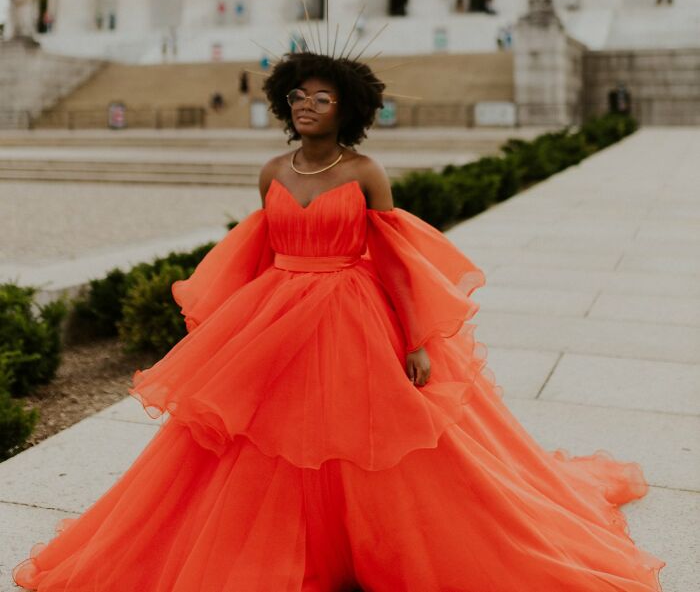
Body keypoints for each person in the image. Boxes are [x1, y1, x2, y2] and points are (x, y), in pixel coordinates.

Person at [12, 50, 665, 591]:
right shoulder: (272, 170)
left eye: (320, 98)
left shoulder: (365, 172)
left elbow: (399, 264)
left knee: (365, 439)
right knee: (267, 438)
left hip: (352, 312)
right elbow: (255, 256)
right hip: (278, 312)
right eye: (297, 95)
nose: (305, 105)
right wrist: (226, 334)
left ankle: (367, 542)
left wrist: (414, 341)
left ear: (346, 108)